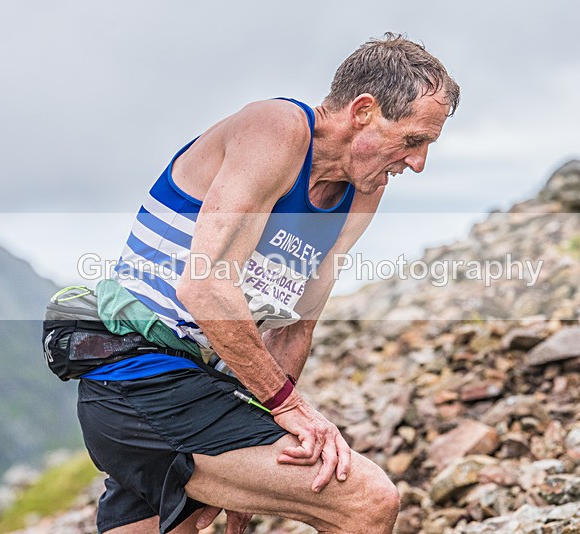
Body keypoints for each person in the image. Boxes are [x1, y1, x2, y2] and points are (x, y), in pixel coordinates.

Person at [77, 32, 459, 534]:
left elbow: (295, 328)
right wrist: (288, 409)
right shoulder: (275, 130)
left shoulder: (362, 191)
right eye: (412, 140)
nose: (418, 162)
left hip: (197, 382)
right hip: (134, 371)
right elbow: (204, 287)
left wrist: (262, 431)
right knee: (367, 502)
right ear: (363, 111)